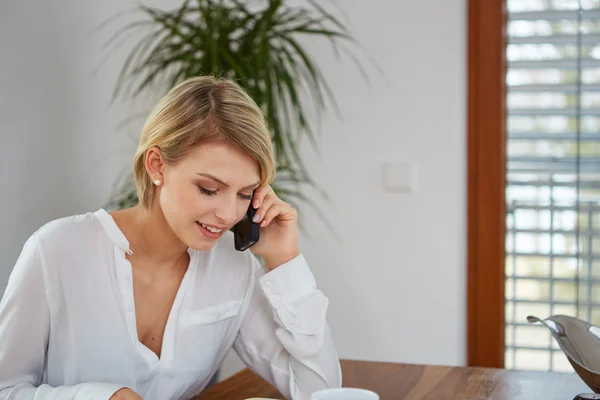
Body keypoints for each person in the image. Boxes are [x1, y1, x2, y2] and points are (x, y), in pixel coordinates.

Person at [0, 76, 342, 400]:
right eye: (209, 189)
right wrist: (102, 396)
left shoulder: (234, 271)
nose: (228, 214)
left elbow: (320, 390)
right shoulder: (56, 250)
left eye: (244, 194)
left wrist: (285, 260)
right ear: (157, 166)